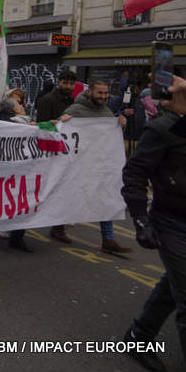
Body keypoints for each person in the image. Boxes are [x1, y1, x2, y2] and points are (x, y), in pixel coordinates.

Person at [120, 74, 186, 371]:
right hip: (172, 222)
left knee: (175, 286)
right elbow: (134, 175)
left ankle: (139, 336)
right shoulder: (162, 130)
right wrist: (140, 219)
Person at [59, 79, 132, 254]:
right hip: (77, 166)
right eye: (100, 93)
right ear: (90, 92)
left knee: (104, 197)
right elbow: (60, 134)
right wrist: (63, 122)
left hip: (98, 166)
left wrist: (119, 125)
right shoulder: (75, 110)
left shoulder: (106, 112)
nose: (104, 96)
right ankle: (58, 228)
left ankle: (108, 239)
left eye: (106, 93)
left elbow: (108, 139)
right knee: (69, 197)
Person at [0, 89, 34, 252]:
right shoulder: (14, 123)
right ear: (14, 108)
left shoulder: (24, 122)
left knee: (7, 200)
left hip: (12, 169)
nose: (22, 105)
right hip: (14, 169)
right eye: (19, 103)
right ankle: (13, 236)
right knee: (16, 201)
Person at [36, 69, 77, 243]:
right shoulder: (47, 100)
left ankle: (58, 228)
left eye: (71, 83)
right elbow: (41, 126)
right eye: (65, 83)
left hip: (66, 151)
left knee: (64, 191)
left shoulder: (72, 100)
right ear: (58, 82)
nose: (68, 86)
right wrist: (59, 122)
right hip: (51, 151)